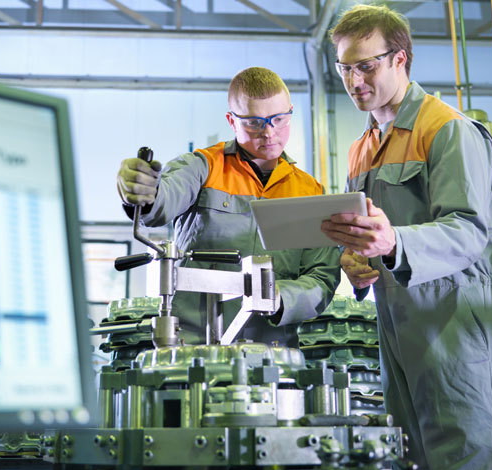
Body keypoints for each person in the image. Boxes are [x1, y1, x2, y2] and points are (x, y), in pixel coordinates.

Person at [320, 5, 492, 470]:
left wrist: (393, 245)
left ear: (401, 59)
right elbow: (372, 238)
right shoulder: (363, 145)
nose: (354, 81)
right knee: (415, 461)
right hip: (397, 321)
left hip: (458, 319)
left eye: (366, 65)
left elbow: (471, 229)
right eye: (345, 68)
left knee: (472, 456)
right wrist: (355, 259)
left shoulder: (447, 128)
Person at [117, 67, 340, 347]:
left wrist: (279, 297)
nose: (269, 133)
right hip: (193, 349)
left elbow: (322, 277)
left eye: (279, 119)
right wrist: (141, 192)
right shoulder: (203, 168)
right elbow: (162, 201)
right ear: (231, 121)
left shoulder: (309, 191)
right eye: (254, 122)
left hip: (273, 355)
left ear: (290, 113)